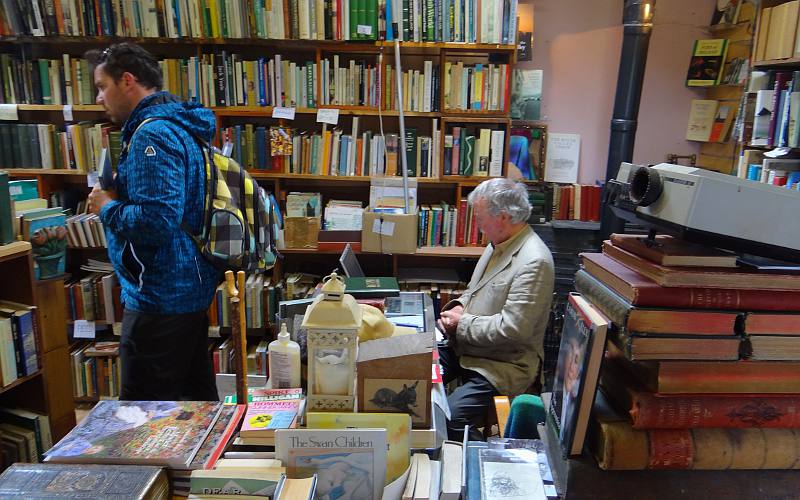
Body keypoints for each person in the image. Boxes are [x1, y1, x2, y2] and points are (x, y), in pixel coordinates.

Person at [85, 43, 221, 401]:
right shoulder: (180, 126)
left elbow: (157, 219)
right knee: (194, 408)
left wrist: (105, 207)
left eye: (102, 86)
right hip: (186, 289)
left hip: (159, 297)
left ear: (127, 81)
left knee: (145, 419)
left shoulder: (152, 134)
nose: (100, 98)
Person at [437, 178, 554, 441]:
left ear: (502, 217)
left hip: (503, 364)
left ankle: (489, 464)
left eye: (479, 218)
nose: (477, 226)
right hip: (470, 348)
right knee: (414, 374)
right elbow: (473, 291)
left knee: (449, 418)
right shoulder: (499, 244)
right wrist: (456, 310)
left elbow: (514, 330)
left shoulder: (534, 261)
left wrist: (461, 323)